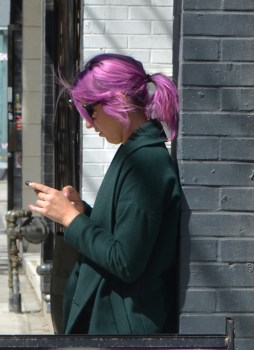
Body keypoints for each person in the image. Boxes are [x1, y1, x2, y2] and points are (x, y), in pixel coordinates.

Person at [27, 53, 182, 335]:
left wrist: (72, 219)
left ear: (119, 99)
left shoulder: (146, 163)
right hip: (117, 327)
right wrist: (82, 212)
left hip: (123, 335)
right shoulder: (136, 155)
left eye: (90, 110)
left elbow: (125, 261)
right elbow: (124, 233)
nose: (88, 123)